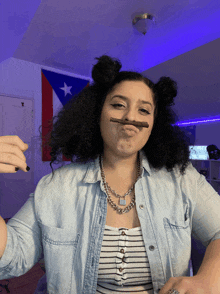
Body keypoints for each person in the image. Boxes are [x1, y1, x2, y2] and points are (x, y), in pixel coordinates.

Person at [0, 55, 220, 294]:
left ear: (155, 122)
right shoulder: (55, 187)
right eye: (118, 104)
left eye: (144, 110)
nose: (130, 118)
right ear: (97, 113)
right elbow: (10, 258)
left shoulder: (183, 179)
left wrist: (209, 277)